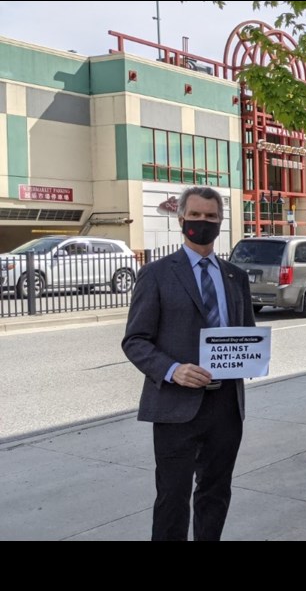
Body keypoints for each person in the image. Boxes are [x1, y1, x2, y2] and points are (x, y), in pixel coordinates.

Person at [122, 186, 256, 541]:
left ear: (220, 222)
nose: (203, 222)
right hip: (175, 406)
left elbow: (247, 335)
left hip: (225, 405)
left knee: (215, 492)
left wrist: (252, 358)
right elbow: (135, 341)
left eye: (210, 217)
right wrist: (172, 370)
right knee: (172, 498)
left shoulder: (235, 277)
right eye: (195, 215)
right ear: (181, 220)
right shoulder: (156, 274)